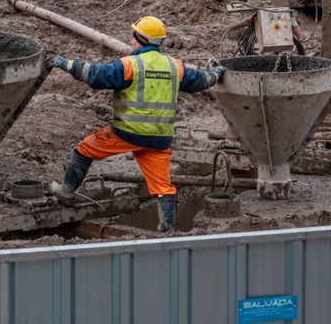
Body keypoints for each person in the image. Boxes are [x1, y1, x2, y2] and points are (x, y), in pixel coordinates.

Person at [45, 15, 224, 232]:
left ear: (140, 38)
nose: (130, 42)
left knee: (84, 150)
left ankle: (66, 192)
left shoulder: (131, 65)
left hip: (126, 133)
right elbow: (202, 81)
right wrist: (216, 72)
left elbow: (96, 76)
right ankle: (167, 229)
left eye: (133, 37)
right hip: (158, 139)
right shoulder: (174, 66)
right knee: (163, 187)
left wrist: (65, 63)